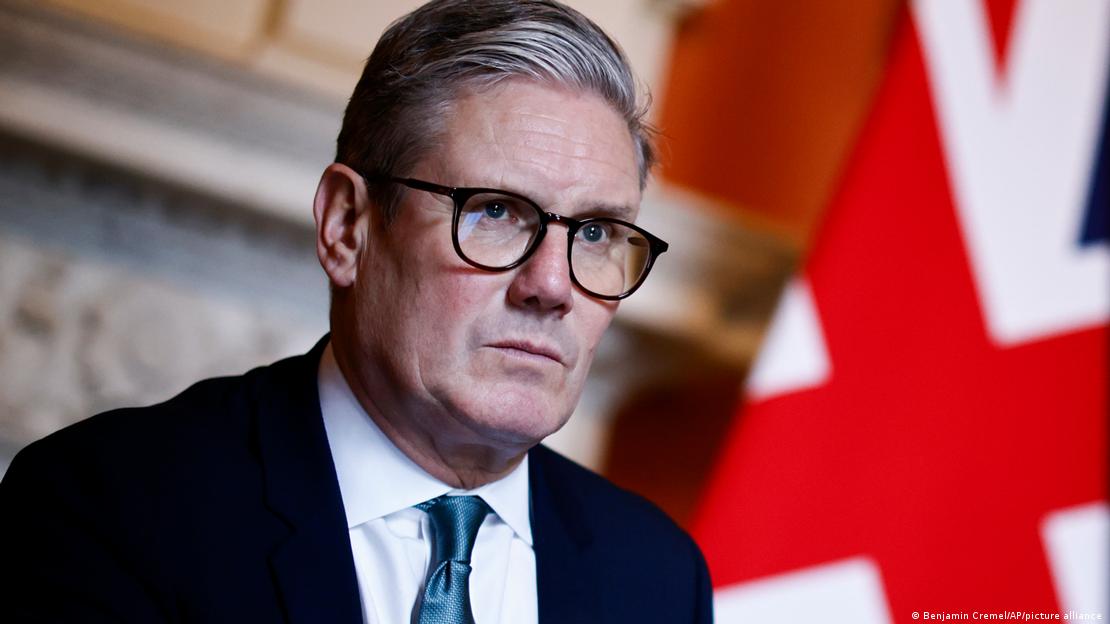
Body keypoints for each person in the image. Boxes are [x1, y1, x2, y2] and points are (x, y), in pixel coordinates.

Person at [0, 0, 713, 622]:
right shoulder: (112, 506)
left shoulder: (657, 577)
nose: (552, 285)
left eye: (596, 233)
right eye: (495, 212)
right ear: (347, 227)